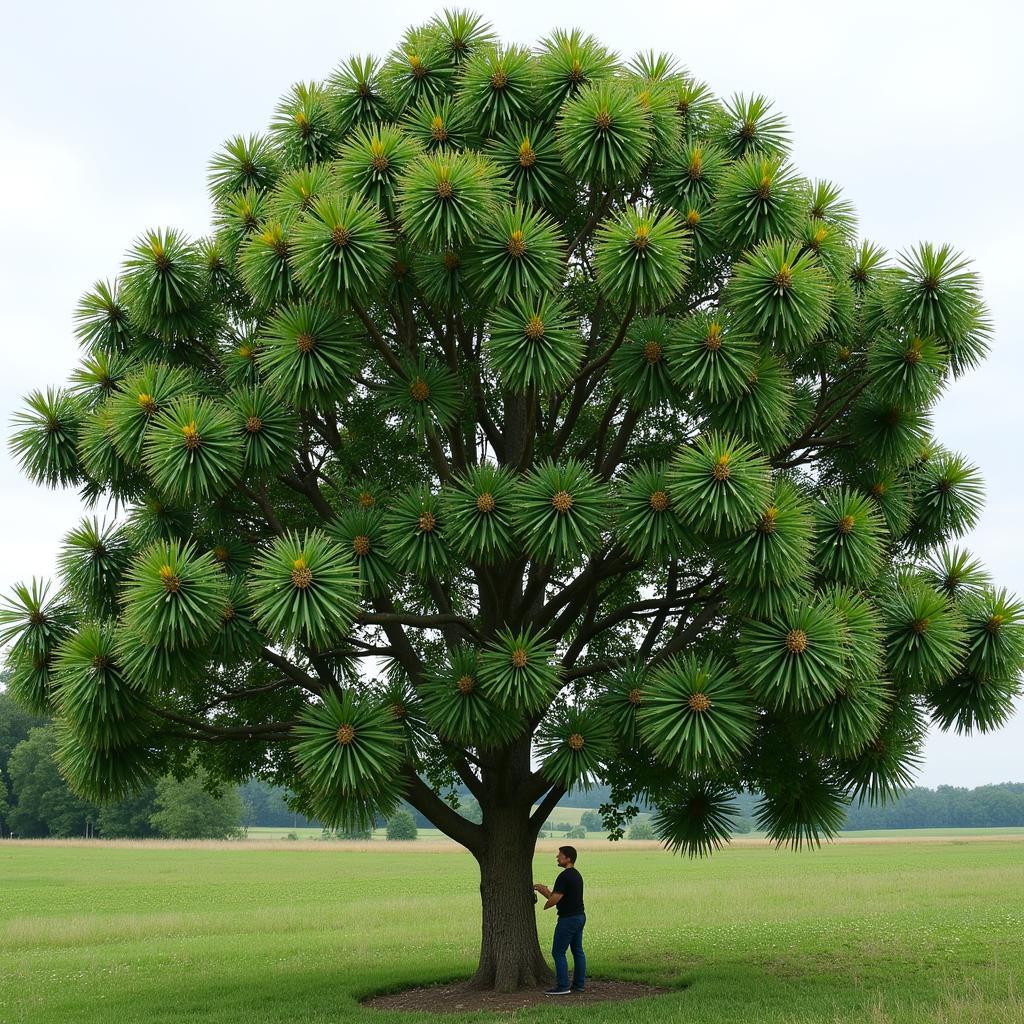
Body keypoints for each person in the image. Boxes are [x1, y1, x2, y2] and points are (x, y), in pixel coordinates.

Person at [533, 845, 586, 995]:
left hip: (568, 919)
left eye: (560, 855)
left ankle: (563, 987)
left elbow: (555, 899)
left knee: (558, 952)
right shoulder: (576, 875)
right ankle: (579, 985)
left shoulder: (564, 876)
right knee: (577, 951)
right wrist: (546, 891)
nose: (557, 857)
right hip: (580, 916)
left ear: (568, 858)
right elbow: (562, 896)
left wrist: (545, 897)